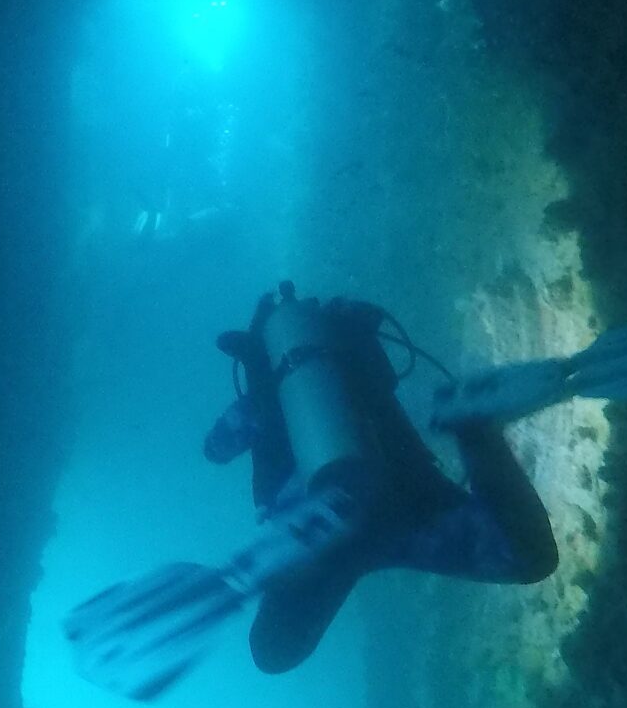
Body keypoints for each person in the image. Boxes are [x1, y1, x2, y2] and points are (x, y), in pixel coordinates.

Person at [204, 282, 558, 675]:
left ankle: (469, 424)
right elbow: (226, 442)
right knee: (528, 556)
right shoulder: (328, 351)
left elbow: (222, 444)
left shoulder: (270, 393)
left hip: (364, 524)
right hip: (395, 488)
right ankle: (470, 425)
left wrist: (254, 364)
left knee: (271, 654)